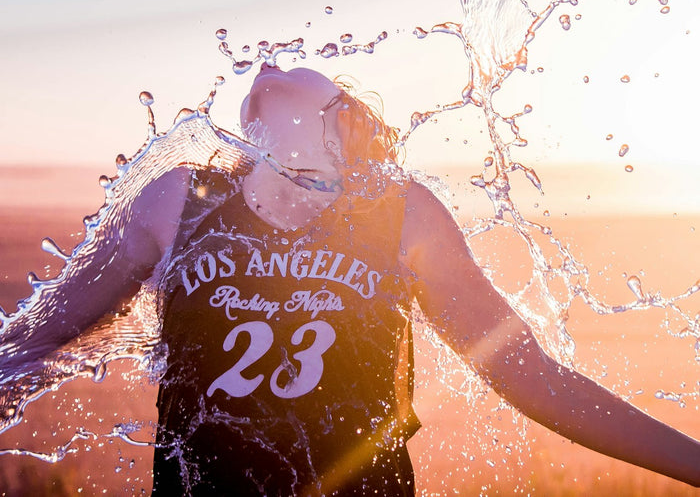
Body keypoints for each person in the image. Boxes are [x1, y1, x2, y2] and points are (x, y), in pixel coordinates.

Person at [1, 64, 699, 495]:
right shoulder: (179, 200)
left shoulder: (400, 215)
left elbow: (532, 378)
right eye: (352, 123)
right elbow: (33, 338)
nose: (367, 145)